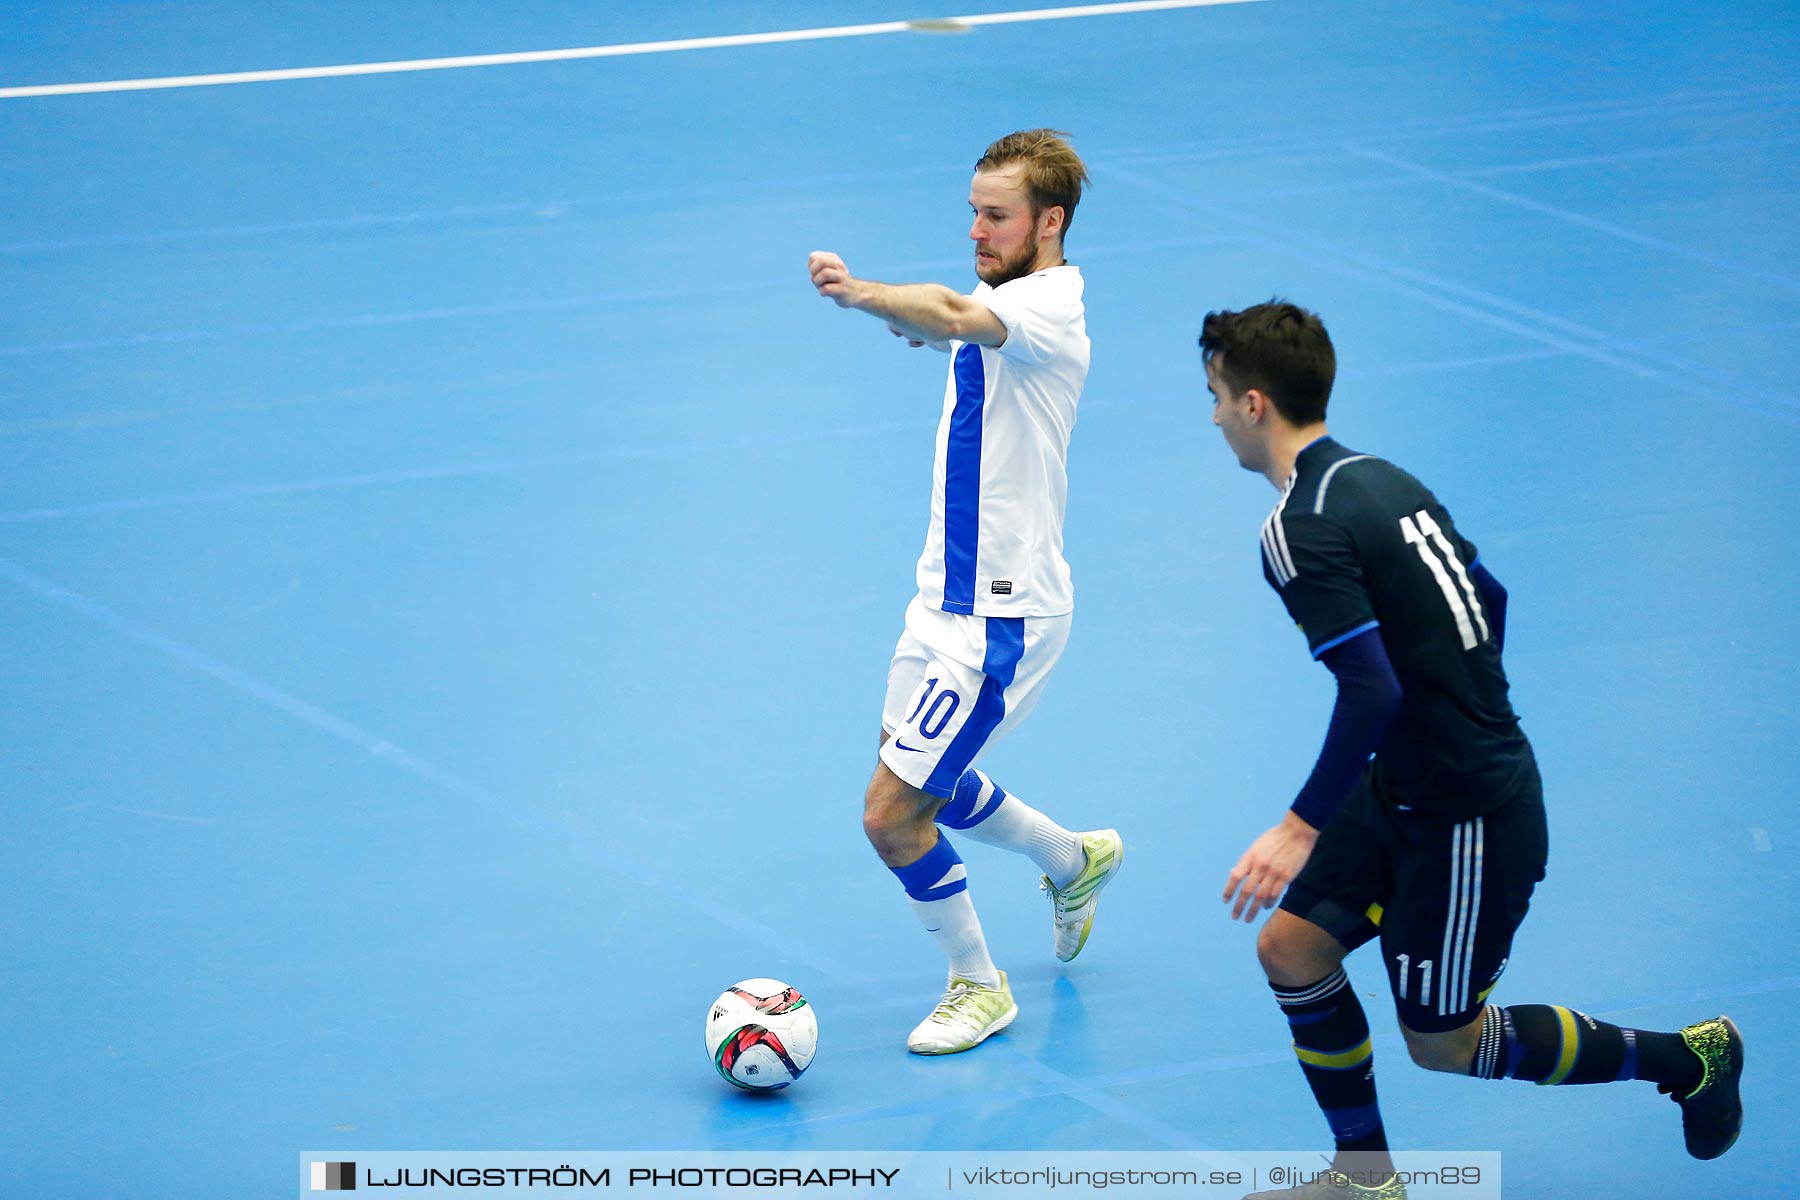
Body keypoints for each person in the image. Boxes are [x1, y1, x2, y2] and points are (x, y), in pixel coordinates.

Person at [1199, 301, 1745, 1199]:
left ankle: (1689, 1059)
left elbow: (1371, 685)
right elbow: (1488, 596)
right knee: (1291, 950)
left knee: (1444, 1044)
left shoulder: (1296, 529)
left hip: (1467, 818)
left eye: (1217, 395)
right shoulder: (1385, 479)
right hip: (1410, 782)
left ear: (1255, 403)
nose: (1213, 414)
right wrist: (1457, 709)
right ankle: (1365, 1179)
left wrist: (1301, 824)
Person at [807, 129, 1122, 1055]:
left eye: (997, 217)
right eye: (973, 214)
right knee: (908, 763)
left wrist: (861, 291)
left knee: (892, 812)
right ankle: (1072, 857)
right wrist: (899, 316)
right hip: (941, 597)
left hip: (1002, 616)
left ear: (1049, 222)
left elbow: (948, 312)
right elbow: (946, 317)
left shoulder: (1052, 309)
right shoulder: (1006, 295)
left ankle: (979, 987)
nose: (979, 231)